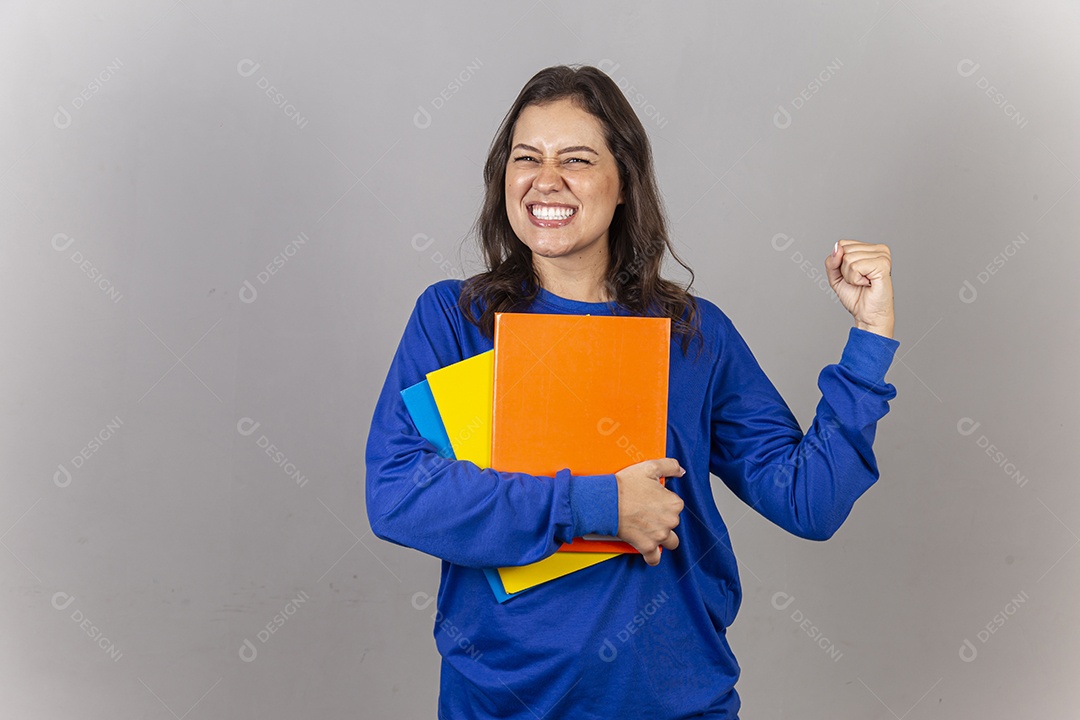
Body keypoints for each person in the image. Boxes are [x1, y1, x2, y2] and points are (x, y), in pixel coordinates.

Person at [365, 64, 898, 719]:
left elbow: (808, 501)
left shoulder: (693, 336)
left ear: (624, 184)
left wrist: (870, 337)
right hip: (501, 703)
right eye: (525, 157)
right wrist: (598, 504)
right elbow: (398, 495)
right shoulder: (457, 319)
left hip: (672, 700)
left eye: (577, 159)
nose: (546, 179)